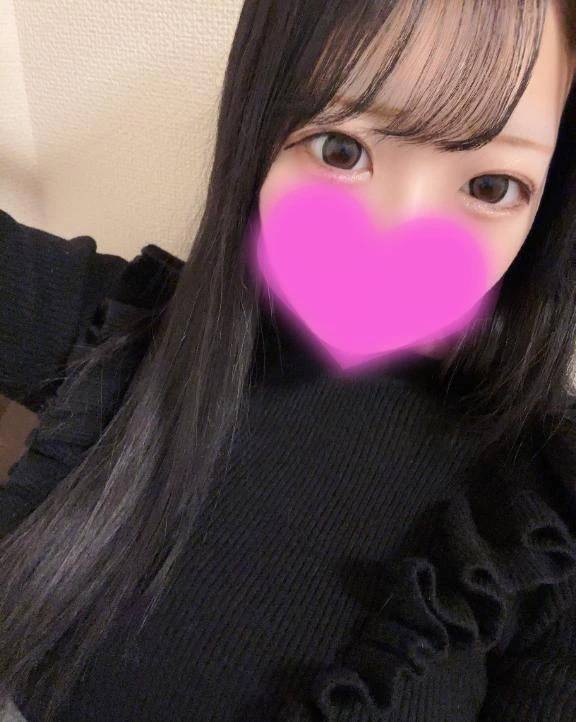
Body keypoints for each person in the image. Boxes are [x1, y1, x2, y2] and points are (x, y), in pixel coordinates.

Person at [0, 1, 575, 720]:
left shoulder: (544, 516)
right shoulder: (124, 331)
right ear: (258, 132)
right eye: (341, 149)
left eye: (490, 187)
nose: (397, 239)